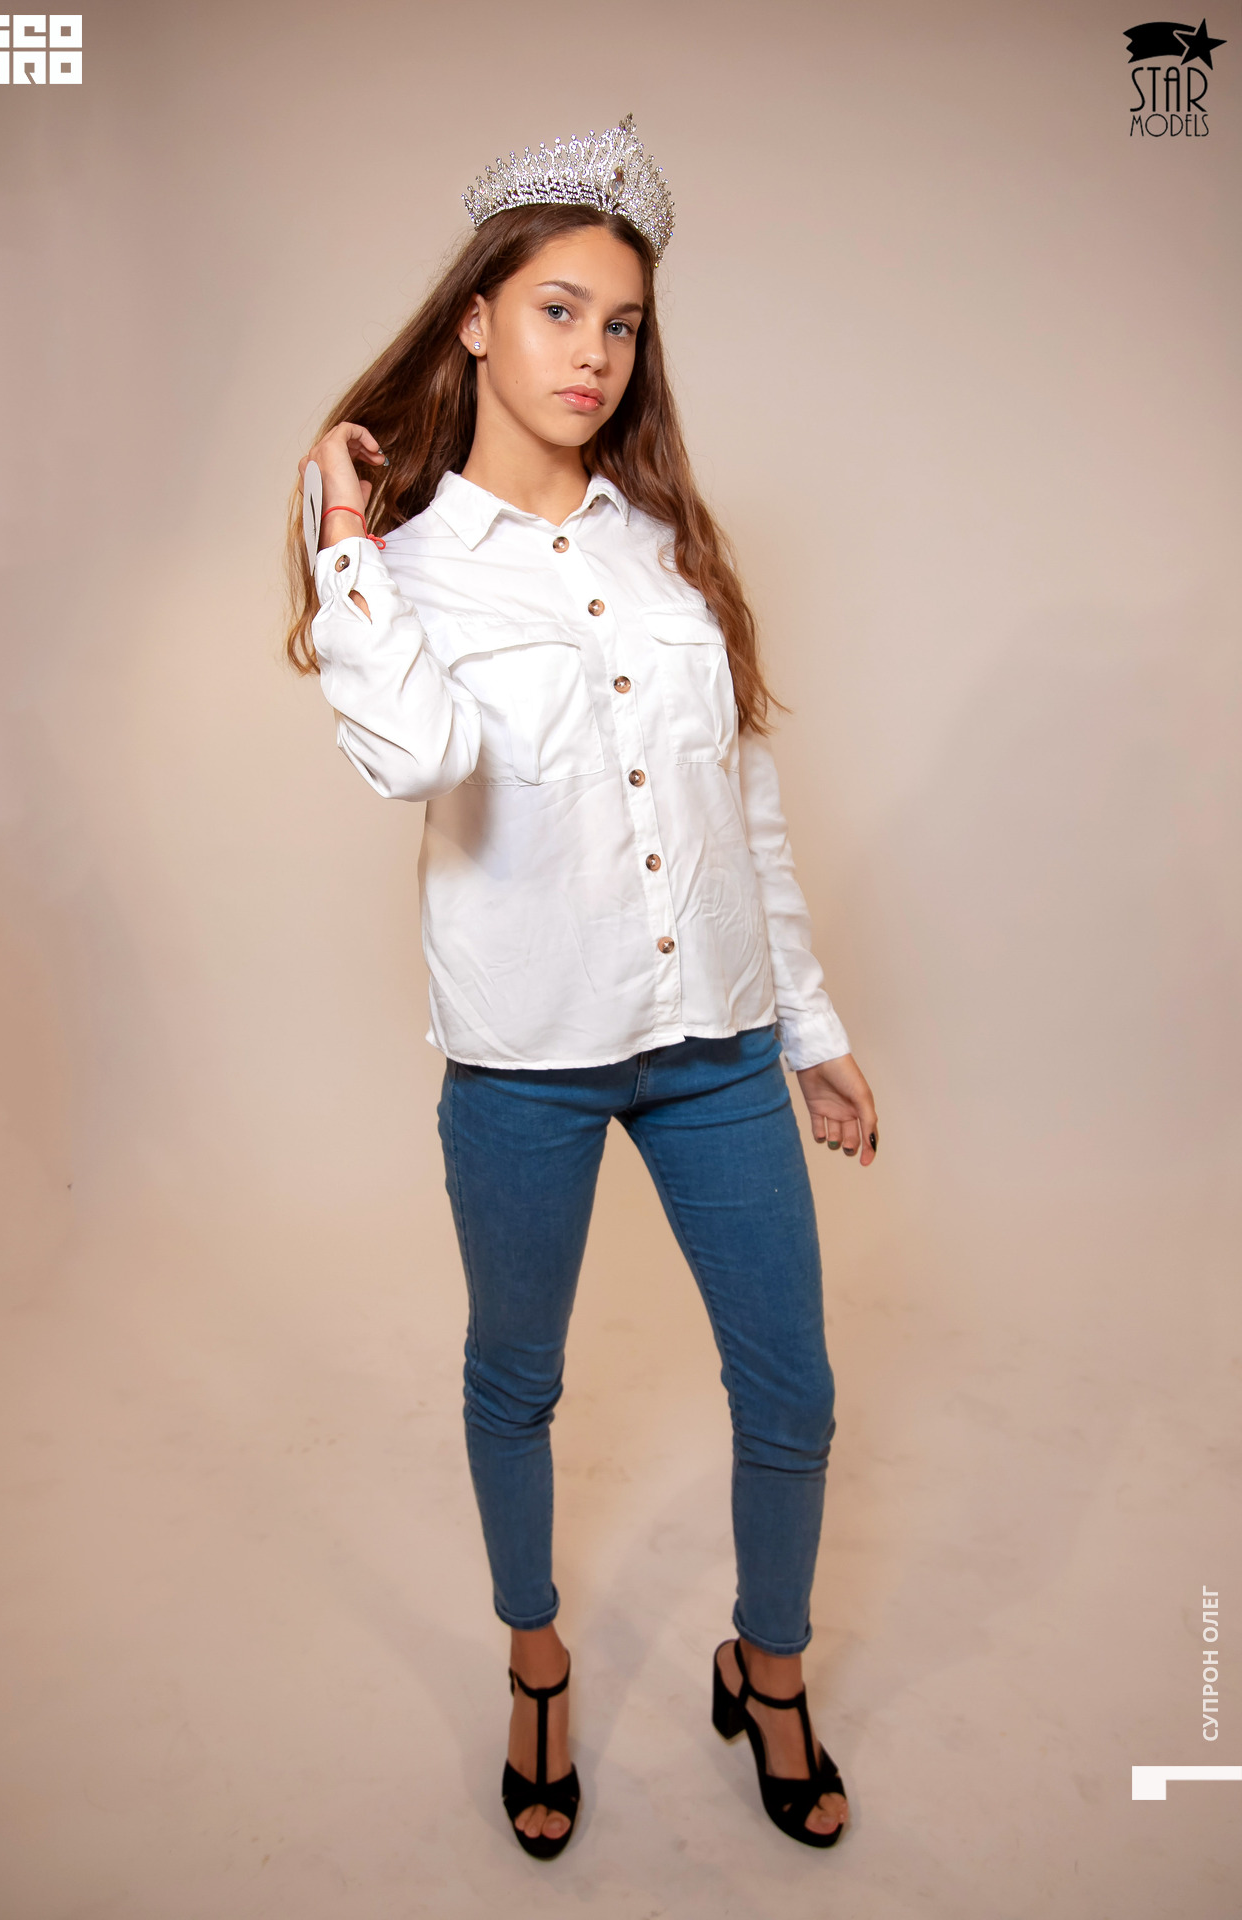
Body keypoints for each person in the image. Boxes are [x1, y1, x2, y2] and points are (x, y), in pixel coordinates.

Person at [285, 116, 878, 1859]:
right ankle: (536, 1661)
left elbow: (744, 810)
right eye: (559, 311)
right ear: (477, 319)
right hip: (525, 1062)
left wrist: (813, 1033)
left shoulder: (666, 550)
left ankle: (769, 1669)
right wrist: (339, 524)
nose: (593, 354)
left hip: (718, 1045)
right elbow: (413, 759)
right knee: (518, 1381)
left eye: (621, 324)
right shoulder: (403, 566)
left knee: (794, 1391)